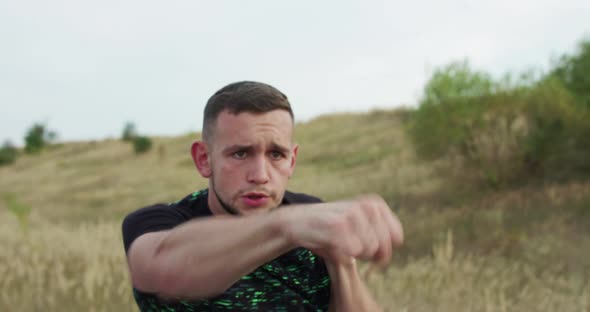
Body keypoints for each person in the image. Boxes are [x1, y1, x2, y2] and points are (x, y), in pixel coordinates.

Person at [122, 81, 404, 311]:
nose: (260, 174)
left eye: (276, 154)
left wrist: (341, 262)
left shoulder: (312, 215)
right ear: (204, 159)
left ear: (292, 161)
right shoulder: (159, 222)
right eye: (240, 153)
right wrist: (287, 227)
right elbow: (161, 268)